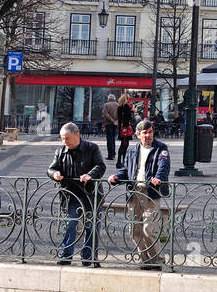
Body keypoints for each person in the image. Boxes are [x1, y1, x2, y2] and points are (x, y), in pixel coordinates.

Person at [107, 119, 171, 269]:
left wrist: (159, 178)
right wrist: (116, 177)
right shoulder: (132, 150)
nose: (148, 136)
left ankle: (156, 260)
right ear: (137, 135)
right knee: (134, 230)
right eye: (144, 133)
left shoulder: (161, 148)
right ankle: (145, 260)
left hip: (151, 192)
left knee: (149, 229)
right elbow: (126, 170)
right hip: (133, 193)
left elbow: (163, 166)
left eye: (150, 132)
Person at [49, 122, 106, 266]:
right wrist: (54, 174)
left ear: (77, 135)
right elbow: (51, 168)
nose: (64, 141)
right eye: (62, 138)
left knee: (91, 227)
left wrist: (90, 175)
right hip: (71, 195)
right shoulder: (60, 151)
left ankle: (89, 258)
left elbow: (100, 165)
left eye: (67, 138)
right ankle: (65, 256)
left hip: (91, 194)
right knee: (70, 225)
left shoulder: (92, 148)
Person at [101, 93, 120, 160]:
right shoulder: (118, 105)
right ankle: (113, 153)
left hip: (109, 124)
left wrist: (112, 121)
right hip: (115, 124)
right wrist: (116, 121)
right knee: (113, 139)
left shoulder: (106, 105)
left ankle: (110, 155)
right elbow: (120, 114)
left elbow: (106, 114)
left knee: (109, 139)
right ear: (114, 99)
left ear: (108, 99)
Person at [116, 94, 134, 161]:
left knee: (122, 144)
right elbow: (129, 117)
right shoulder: (127, 106)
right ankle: (123, 160)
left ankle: (119, 160)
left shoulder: (119, 107)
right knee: (125, 145)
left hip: (121, 127)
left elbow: (119, 118)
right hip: (126, 128)